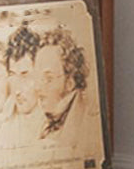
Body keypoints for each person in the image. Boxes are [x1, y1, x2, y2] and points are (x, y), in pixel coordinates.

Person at [33, 26, 102, 154]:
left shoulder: (87, 123)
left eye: (48, 79)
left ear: (70, 82)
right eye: (37, 78)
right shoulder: (47, 121)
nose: (37, 88)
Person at [0, 24, 43, 149]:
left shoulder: (58, 125)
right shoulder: (3, 129)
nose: (17, 90)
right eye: (12, 75)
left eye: (24, 75)